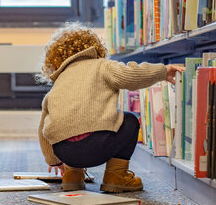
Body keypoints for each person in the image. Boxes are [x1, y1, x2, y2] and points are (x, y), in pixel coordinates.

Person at [37, 22, 185, 192]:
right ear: (94, 47)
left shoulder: (58, 83)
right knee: (130, 120)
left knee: (70, 125)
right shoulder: (102, 66)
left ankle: (72, 176)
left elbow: (43, 128)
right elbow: (131, 75)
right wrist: (163, 71)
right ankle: (116, 177)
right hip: (100, 145)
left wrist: (53, 160)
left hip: (65, 151)